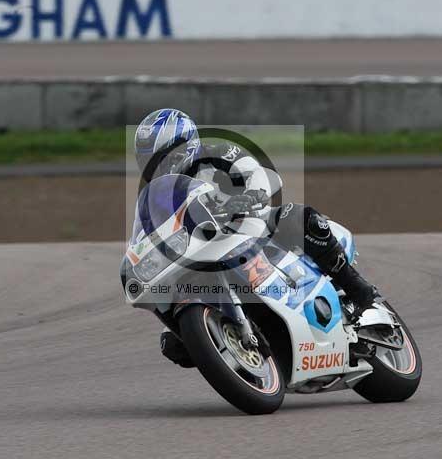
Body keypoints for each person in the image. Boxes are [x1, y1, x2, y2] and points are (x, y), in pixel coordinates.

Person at [132, 108, 377, 366]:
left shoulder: (216, 153)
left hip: (248, 224)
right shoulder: (152, 196)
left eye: (159, 157)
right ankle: (236, 342)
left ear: (186, 145)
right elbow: (143, 234)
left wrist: (251, 194)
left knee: (299, 217)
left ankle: (360, 292)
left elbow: (256, 172)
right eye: (148, 160)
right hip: (199, 251)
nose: (155, 166)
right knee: (172, 344)